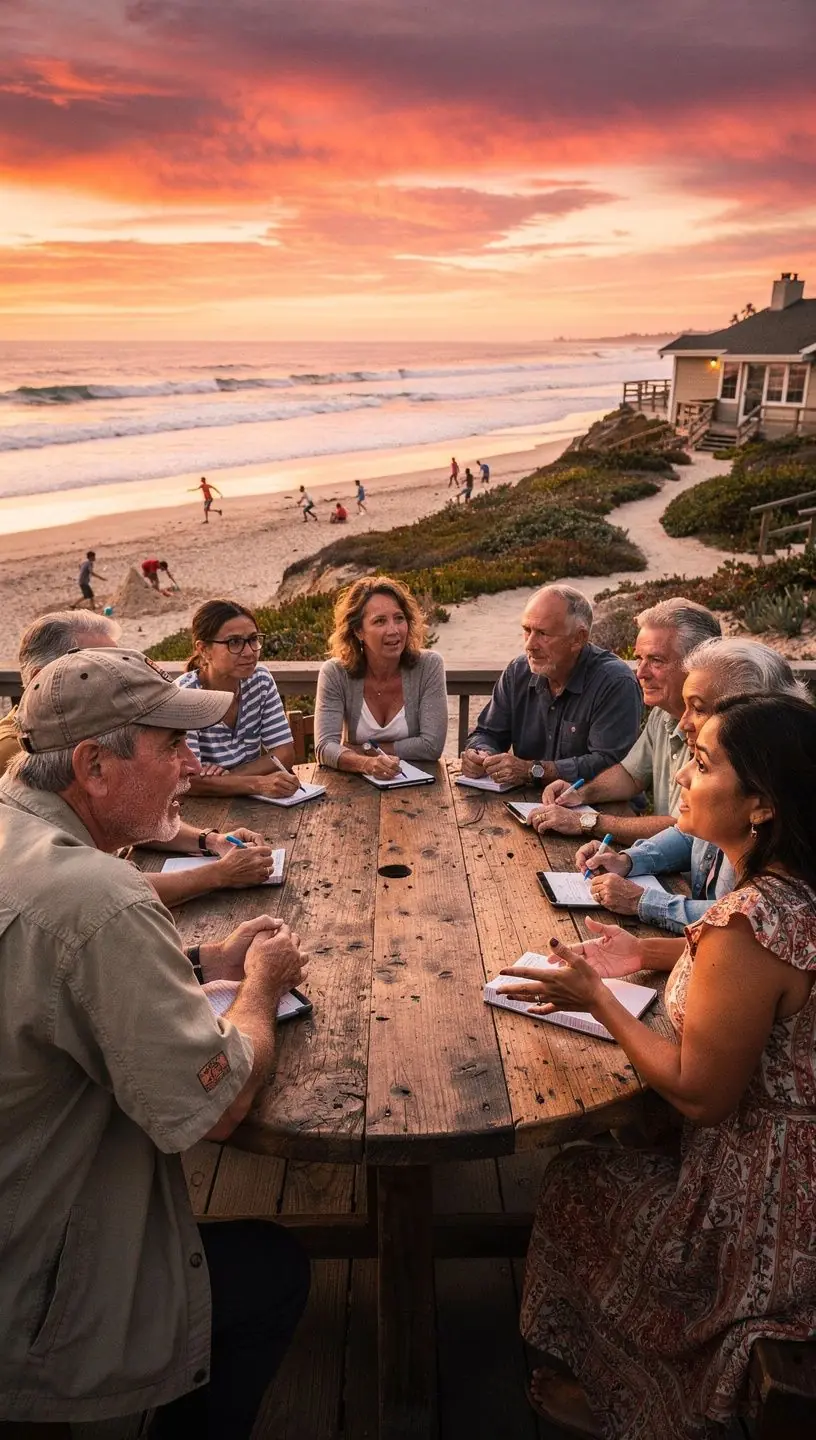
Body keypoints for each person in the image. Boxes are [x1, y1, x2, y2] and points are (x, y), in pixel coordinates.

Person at [0, 647, 310, 1432]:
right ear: (93, 766)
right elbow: (224, 1105)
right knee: (276, 1272)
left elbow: (52, 975)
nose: (192, 765)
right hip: (37, 1284)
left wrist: (206, 958)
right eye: (171, 745)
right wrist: (262, 985)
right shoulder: (99, 897)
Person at [502, 694, 816, 1439]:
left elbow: (699, 1095)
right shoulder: (790, 896)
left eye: (703, 764)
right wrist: (641, 952)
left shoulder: (748, 922)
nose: (681, 774)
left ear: (761, 806)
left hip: (767, 1203)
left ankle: (636, 1403)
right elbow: (745, 974)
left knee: (579, 1180)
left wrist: (597, 998)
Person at [0, 612, 281, 905]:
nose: (118, 673)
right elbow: (99, 892)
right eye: (93, 665)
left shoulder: (69, 740)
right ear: (41, 680)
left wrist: (210, 840)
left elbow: (123, 814)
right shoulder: (22, 753)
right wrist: (218, 874)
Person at [578, 638, 812, 931]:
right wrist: (627, 860)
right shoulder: (732, 790)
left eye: (699, 709)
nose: (684, 722)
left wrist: (643, 902)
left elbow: (744, 919)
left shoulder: (781, 824)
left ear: (757, 716)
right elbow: (692, 835)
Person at [530, 597, 721, 844]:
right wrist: (579, 793)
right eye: (639, 658)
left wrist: (585, 822)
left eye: (656, 660)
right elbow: (630, 776)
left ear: (699, 663)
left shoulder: (720, 731)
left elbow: (685, 830)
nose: (640, 672)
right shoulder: (663, 713)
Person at [461, 585, 642, 789]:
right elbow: (487, 732)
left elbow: (609, 764)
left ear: (578, 639)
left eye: (543, 633)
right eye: (526, 630)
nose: (530, 644)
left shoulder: (615, 682)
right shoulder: (518, 671)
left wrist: (533, 770)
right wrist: (481, 754)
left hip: (600, 808)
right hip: (528, 802)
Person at [314, 576, 448, 778]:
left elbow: (432, 746)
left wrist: (363, 749)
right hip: (355, 788)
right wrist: (366, 764)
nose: (393, 630)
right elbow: (324, 747)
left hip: (420, 788)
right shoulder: (335, 673)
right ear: (359, 630)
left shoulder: (428, 666)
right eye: (380, 621)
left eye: (399, 618)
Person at [177, 599, 300, 800]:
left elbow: (284, 753)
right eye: (234, 642)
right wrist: (258, 783)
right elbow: (188, 781)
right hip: (200, 812)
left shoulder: (259, 680)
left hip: (248, 803)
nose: (249, 652)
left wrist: (229, 779)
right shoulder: (185, 696)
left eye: (253, 639)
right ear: (204, 650)